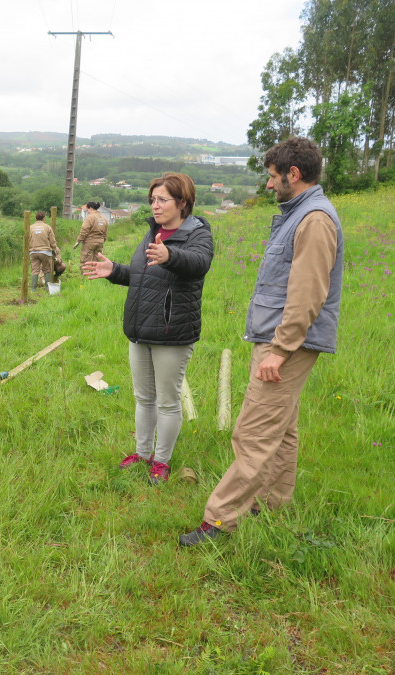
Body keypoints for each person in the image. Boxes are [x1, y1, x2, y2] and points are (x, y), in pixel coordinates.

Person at [180, 137, 343, 546]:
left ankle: (220, 521)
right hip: (280, 339)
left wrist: (281, 350)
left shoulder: (314, 220)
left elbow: (308, 294)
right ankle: (270, 504)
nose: (269, 185)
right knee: (282, 427)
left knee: (252, 433)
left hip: (285, 344)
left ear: (294, 174)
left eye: (272, 177)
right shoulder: (300, 214)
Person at [83, 173, 213, 484]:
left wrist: (170, 256)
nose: (155, 206)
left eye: (162, 200)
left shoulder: (197, 234)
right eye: (152, 200)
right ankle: (142, 454)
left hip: (172, 332)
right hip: (140, 330)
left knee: (167, 401)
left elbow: (197, 264)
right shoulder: (152, 233)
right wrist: (115, 271)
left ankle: (162, 461)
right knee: (143, 397)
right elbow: (143, 276)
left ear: (182, 202)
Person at [29, 211, 61, 291]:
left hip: (33, 252)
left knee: (34, 270)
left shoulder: (30, 227)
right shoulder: (47, 227)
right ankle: (47, 287)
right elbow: (52, 241)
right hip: (45, 252)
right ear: (44, 218)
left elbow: (27, 239)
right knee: (47, 269)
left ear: (35, 218)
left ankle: (33, 289)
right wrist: (54, 249)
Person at [74, 201, 109, 272]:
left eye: (87, 209)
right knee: (97, 260)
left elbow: (84, 231)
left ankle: (86, 277)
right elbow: (105, 232)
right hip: (100, 242)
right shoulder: (104, 218)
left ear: (91, 208)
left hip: (89, 242)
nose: (88, 211)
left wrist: (78, 241)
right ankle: (95, 275)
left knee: (86, 260)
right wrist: (102, 240)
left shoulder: (90, 218)